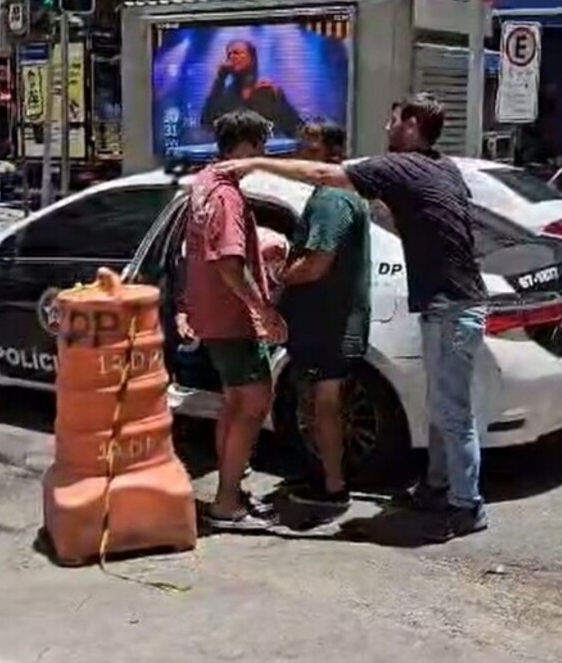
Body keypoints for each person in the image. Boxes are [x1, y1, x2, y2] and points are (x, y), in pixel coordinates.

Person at [215, 93, 489, 543]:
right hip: (448, 304)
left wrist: (258, 166)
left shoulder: (403, 167)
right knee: (442, 408)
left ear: (414, 126)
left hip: (452, 307)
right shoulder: (442, 167)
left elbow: (326, 178)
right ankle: (439, 487)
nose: (387, 127)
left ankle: (467, 505)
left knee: (452, 412)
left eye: (395, 120)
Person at [182, 108, 287, 532]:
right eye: (259, 145)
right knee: (255, 403)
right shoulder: (226, 194)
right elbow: (227, 262)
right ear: (243, 146)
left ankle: (230, 489)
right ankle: (227, 503)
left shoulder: (204, 183)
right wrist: (263, 309)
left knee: (234, 404)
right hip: (233, 318)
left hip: (214, 315)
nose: (261, 153)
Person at [279, 122, 371, 507]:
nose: (302, 148)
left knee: (326, 406)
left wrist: (277, 279)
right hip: (334, 319)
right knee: (325, 405)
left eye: (311, 142)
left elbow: (317, 264)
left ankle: (332, 487)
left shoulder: (332, 199)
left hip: (326, 324)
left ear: (332, 151)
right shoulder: (346, 192)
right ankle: (326, 476)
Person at [201, 39, 303, 139]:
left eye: (237, 53)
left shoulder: (269, 92)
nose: (232, 57)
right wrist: (220, 78)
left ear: (253, 59)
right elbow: (206, 123)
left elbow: (295, 128)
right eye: (229, 55)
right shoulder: (223, 94)